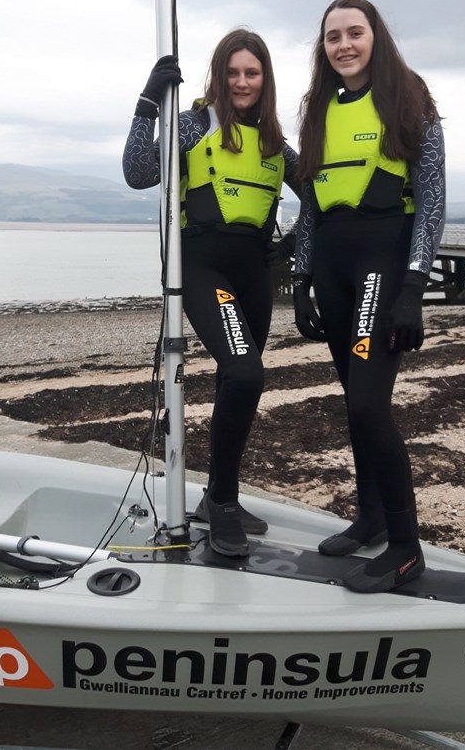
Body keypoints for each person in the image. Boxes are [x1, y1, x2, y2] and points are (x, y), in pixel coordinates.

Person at [123, 29, 301, 558]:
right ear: (219, 75)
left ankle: (219, 497)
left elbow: (319, 195)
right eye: (233, 72)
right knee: (247, 371)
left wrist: (292, 246)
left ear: (265, 79)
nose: (242, 82)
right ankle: (221, 504)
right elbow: (137, 172)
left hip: (254, 275)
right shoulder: (193, 123)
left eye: (253, 72)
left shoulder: (275, 142)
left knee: (236, 381)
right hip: (202, 267)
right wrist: (146, 104)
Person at [292, 0, 445, 592]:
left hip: (382, 264)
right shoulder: (317, 107)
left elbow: (430, 197)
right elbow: (309, 199)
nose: (344, 45)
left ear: (375, 37)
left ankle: (406, 548)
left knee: (366, 404)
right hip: (332, 267)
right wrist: (302, 282)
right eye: (333, 37)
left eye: (355, 33)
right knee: (353, 398)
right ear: (323, 48)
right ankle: (373, 518)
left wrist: (414, 285)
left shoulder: (408, 95)